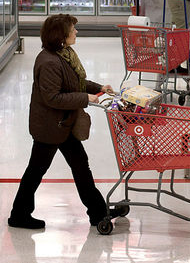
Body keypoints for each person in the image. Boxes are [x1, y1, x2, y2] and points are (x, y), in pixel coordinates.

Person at [8, 15, 114, 229]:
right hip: (50, 127)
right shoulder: (49, 62)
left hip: (63, 124)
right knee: (37, 170)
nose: (76, 32)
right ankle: (19, 215)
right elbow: (53, 98)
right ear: (61, 36)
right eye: (73, 29)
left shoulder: (63, 55)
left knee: (80, 166)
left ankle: (98, 213)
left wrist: (98, 88)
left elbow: (74, 82)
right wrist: (85, 98)